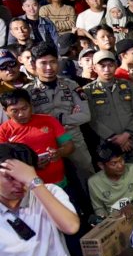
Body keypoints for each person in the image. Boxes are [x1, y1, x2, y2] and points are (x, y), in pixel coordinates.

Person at [24, 41, 93, 179]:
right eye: (43, 63)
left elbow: (85, 115)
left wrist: (61, 119)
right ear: (33, 64)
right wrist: (71, 118)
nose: (49, 67)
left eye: (53, 62)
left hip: (72, 137)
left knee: (87, 175)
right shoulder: (28, 92)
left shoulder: (71, 85)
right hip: (45, 140)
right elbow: (28, 120)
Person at [82, 50, 133, 168]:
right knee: (117, 178)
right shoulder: (88, 91)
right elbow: (92, 119)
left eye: (110, 65)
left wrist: (126, 135)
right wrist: (114, 138)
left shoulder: (127, 85)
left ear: (116, 66)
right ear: (94, 68)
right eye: (102, 66)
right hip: (109, 145)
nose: (107, 69)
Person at [0, 89, 74, 188]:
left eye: (24, 108)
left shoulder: (49, 120)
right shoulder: (3, 131)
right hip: (27, 187)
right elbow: (4, 162)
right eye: (15, 111)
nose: (21, 114)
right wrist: (31, 164)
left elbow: (69, 145)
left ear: (30, 105)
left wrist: (59, 152)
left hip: (58, 182)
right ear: (6, 111)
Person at [87, 141, 133, 218]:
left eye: (121, 160)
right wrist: (103, 220)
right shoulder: (94, 182)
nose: (120, 165)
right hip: (117, 223)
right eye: (114, 163)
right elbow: (99, 209)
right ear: (101, 166)